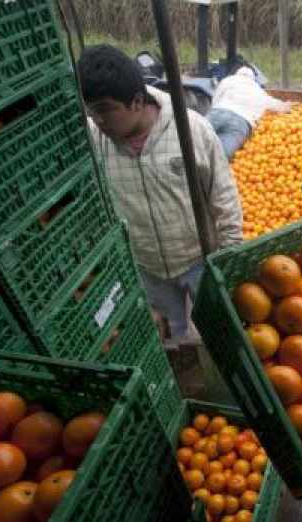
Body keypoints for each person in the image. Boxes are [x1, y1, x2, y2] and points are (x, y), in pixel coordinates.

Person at [78, 44, 242, 346]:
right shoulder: (96, 138)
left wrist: (230, 254)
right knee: (172, 339)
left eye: (104, 110)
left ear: (137, 101)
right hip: (147, 265)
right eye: (91, 111)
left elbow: (223, 195)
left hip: (198, 258)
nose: (98, 120)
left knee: (220, 331)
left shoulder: (189, 129)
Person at [205, 66, 291, 160]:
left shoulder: (227, 80)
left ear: (237, 74)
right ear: (253, 79)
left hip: (218, 112)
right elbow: (276, 105)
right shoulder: (257, 89)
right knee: (221, 155)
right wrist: (287, 105)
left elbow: (215, 98)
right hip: (240, 121)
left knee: (195, 139)